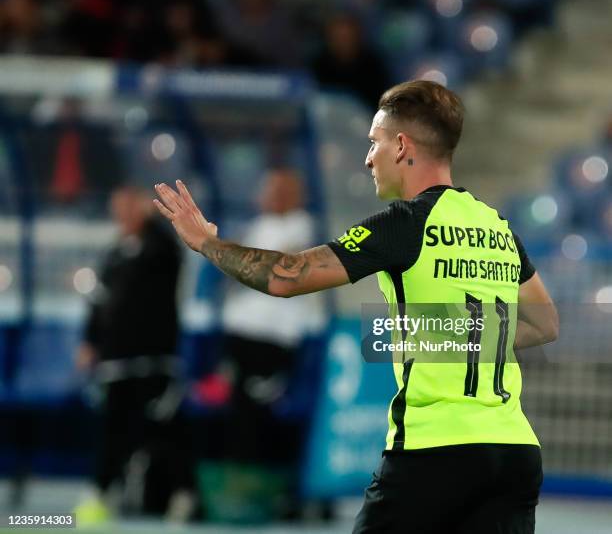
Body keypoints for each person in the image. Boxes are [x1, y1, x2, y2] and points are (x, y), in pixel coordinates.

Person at [154, 80, 559, 533]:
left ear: (402, 145)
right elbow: (545, 322)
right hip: (514, 450)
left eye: (375, 143)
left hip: (434, 451)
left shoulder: (406, 224)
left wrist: (208, 244)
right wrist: (453, 335)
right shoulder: (497, 228)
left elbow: (286, 277)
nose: (368, 158)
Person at [75, 186, 193, 525]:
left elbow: (168, 256)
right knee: (112, 429)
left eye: (130, 208)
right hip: (116, 362)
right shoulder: (114, 254)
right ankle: (100, 494)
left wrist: (155, 217)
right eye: (119, 209)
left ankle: (183, 494)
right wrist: (89, 341)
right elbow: (98, 304)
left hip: (154, 361)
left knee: (164, 430)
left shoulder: (161, 249)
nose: (123, 215)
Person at [220, 169, 325, 463]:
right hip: (240, 334)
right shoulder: (257, 226)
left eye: (276, 191)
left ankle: (263, 475)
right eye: (265, 190)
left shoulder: (304, 228)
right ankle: (238, 472)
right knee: (237, 410)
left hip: (274, 339)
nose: (266, 197)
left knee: (259, 410)